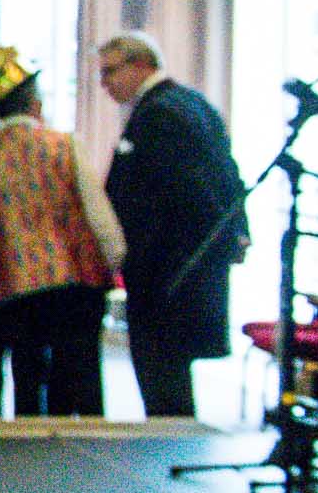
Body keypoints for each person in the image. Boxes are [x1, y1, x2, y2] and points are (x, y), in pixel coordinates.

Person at [96, 32, 249, 419]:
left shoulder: (161, 113)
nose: (106, 83)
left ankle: (169, 448)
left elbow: (179, 193)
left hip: (168, 271)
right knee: (169, 374)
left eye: (111, 71)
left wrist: (136, 256)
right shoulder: (190, 104)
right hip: (183, 268)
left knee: (163, 376)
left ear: (141, 64)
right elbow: (229, 175)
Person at [0, 49, 121, 416]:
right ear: (35, 105)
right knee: (81, 372)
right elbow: (96, 211)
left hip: (15, 284)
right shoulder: (66, 145)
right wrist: (115, 257)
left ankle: (28, 451)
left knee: (27, 371)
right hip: (77, 280)